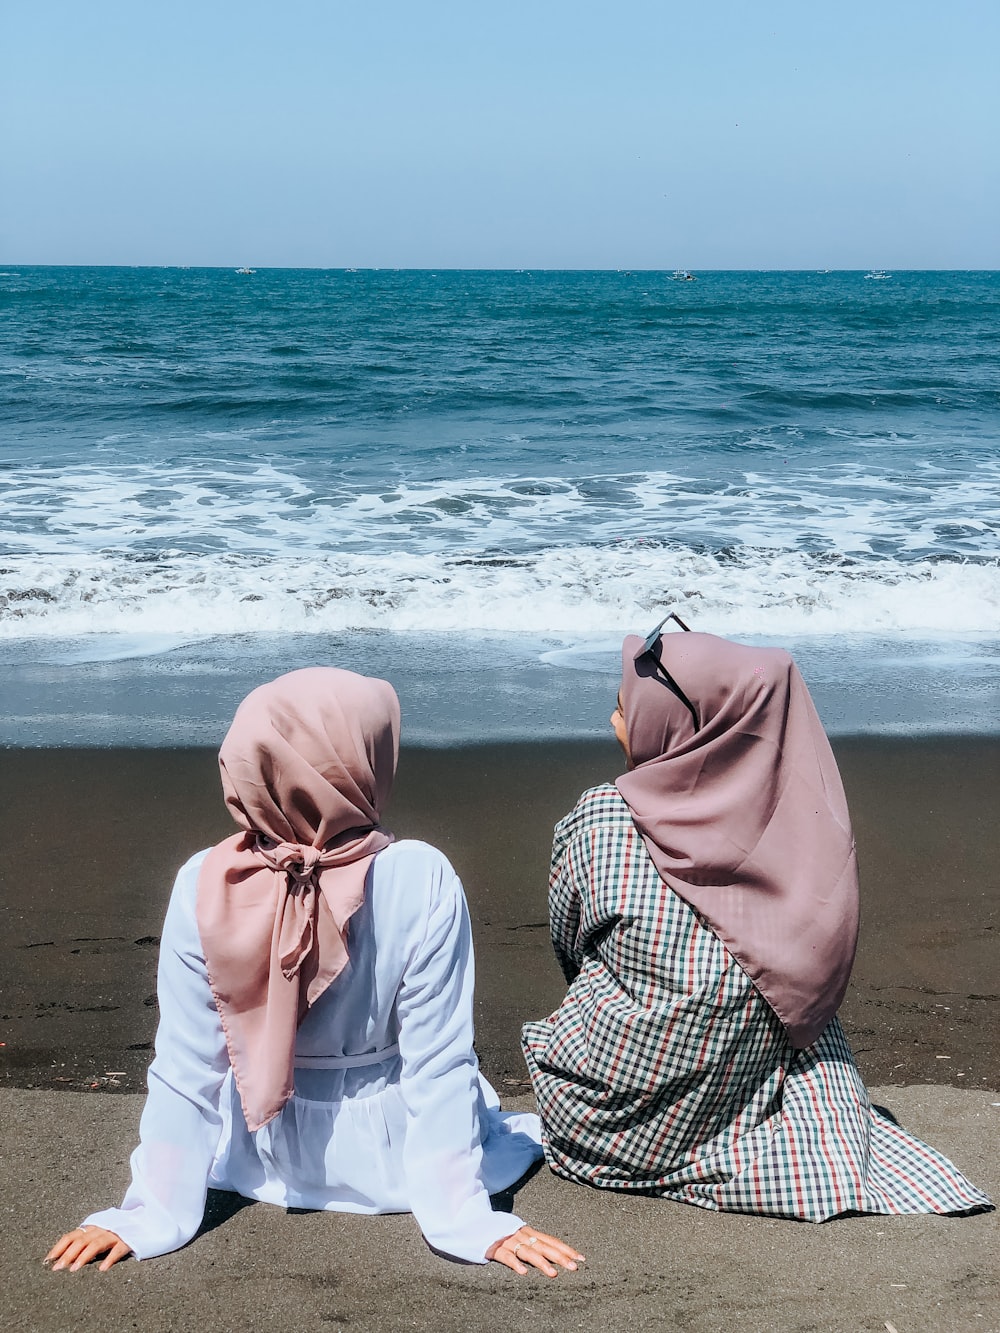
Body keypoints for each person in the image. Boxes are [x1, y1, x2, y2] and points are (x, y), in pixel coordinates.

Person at [47, 668, 582, 1277]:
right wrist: (466, 1219)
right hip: (393, 1158)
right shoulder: (419, 874)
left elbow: (186, 1066)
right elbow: (438, 1064)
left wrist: (148, 1212)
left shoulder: (205, 879)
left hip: (257, 1151)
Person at [522, 620, 991, 1219]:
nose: (616, 718)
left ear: (681, 724)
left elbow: (570, 943)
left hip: (604, 1117)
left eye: (626, 707)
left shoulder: (601, 817)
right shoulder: (804, 840)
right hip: (730, 1087)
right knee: (780, 988)